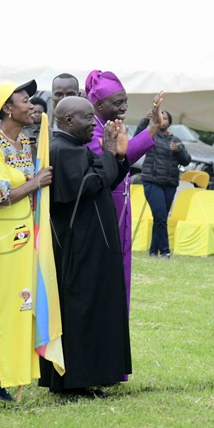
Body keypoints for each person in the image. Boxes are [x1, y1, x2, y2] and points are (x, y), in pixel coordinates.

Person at [39, 96, 131, 397]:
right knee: (80, 309)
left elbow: (107, 178)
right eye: (88, 118)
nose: (95, 123)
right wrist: (106, 154)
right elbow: (87, 186)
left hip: (93, 242)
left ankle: (93, 374)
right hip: (78, 246)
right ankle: (74, 381)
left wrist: (116, 156)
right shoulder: (62, 149)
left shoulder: (76, 147)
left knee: (96, 305)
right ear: (67, 121)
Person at [0, 80, 51, 402]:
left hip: (21, 241)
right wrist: (35, 183)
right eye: (24, 101)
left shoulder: (23, 145)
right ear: (7, 109)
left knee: (15, 310)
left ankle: (1, 380)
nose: (31, 106)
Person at [85, 70, 163, 306]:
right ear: (98, 104)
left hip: (120, 206)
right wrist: (153, 128)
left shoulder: (109, 124)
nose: (124, 107)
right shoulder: (91, 129)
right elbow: (121, 154)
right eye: (117, 102)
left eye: (125, 101)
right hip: (102, 212)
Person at [135, 110, 191, 258]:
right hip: (152, 182)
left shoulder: (176, 140)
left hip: (170, 184)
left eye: (165, 118)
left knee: (160, 218)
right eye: (160, 117)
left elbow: (186, 160)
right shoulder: (151, 135)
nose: (163, 120)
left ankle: (153, 251)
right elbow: (137, 138)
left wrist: (178, 150)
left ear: (169, 121)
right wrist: (145, 120)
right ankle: (165, 251)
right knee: (160, 217)